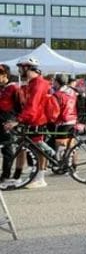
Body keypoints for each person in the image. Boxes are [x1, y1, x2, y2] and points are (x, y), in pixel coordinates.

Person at [3, 58, 52, 189]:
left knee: (40, 150)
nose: (19, 71)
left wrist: (17, 121)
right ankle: (17, 177)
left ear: (27, 68)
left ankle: (41, 178)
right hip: (29, 120)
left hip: (38, 120)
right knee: (21, 148)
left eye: (20, 68)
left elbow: (32, 106)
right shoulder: (31, 83)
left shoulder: (39, 84)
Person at [0, 64, 20, 188]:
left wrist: (16, 121)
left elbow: (21, 106)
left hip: (8, 122)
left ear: (4, 75)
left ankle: (6, 175)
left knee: (7, 150)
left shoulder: (13, 88)